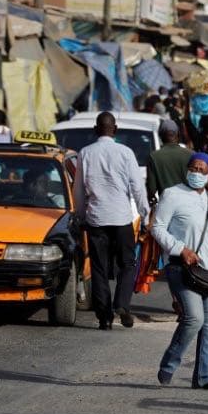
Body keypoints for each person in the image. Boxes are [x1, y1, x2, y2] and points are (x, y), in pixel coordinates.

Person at [151, 153, 208, 390]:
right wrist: (181, 248)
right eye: (193, 168)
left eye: (202, 169)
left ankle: (205, 376)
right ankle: (169, 362)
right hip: (182, 267)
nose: (196, 173)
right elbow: (156, 228)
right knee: (194, 318)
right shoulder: (172, 194)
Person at [73, 112, 150, 330]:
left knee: (98, 268)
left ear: (96, 129)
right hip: (121, 218)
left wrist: (79, 217)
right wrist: (145, 215)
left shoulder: (85, 153)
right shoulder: (126, 152)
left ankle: (104, 318)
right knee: (127, 263)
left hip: (96, 219)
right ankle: (122, 304)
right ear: (114, 130)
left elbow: (78, 190)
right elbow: (137, 187)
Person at [146, 119, 193, 202]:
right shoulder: (191, 154)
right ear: (178, 134)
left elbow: (151, 189)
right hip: (188, 203)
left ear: (160, 135)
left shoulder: (154, 157)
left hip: (166, 205)